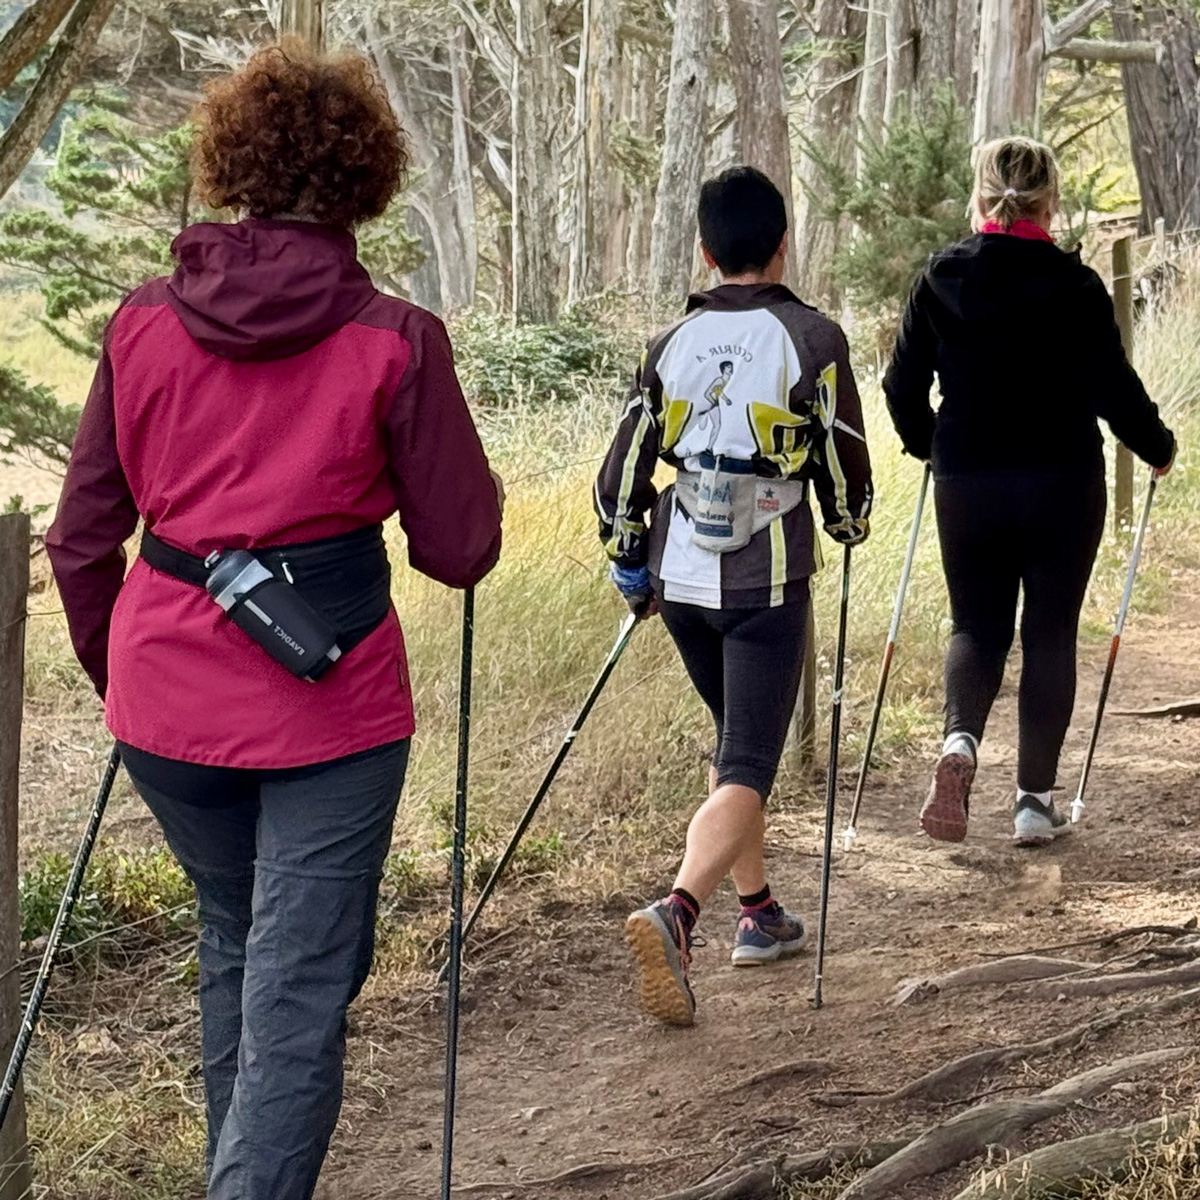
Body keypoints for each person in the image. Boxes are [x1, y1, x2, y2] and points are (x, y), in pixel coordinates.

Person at [46, 43, 503, 1200]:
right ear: (365, 178)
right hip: (329, 714)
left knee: (247, 945)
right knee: (299, 981)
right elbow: (462, 550)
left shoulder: (140, 323)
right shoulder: (396, 340)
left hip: (164, 704)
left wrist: (128, 672)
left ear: (234, 163)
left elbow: (79, 535)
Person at [595, 166, 873, 1026]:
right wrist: (847, 521)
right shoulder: (813, 338)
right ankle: (677, 912)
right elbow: (843, 455)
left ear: (706, 253)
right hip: (767, 578)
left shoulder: (670, 341)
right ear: (783, 243)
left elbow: (621, 476)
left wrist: (629, 560)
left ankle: (759, 917)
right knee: (750, 762)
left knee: (734, 748)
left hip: (681, 577)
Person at [884, 136, 1175, 849]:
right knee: (1049, 631)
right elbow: (1113, 387)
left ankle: (959, 745)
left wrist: (931, 444)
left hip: (969, 481)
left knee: (975, 628)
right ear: (1051, 201)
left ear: (981, 198)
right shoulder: (1074, 285)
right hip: (1062, 479)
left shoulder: (939, 277)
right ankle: (1032, 805)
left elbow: (900, 385)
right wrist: (1158, 447)